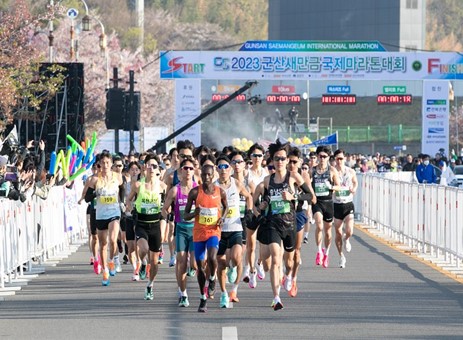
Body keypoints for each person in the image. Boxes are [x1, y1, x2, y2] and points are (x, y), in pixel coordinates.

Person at [254, 139, 313, 310]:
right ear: (272, 161)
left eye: (282, 158)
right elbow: (259, 202)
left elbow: (310, 197)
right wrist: (261, 207)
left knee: (290, 261)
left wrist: (294, 197)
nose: (279, 162)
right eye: (276, 159)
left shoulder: (294, 177)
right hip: (273, 223)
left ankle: (289, 277)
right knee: (275, 259)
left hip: (290, 224)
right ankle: (276, 297)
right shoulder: (267, 181)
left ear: (287, 160)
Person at [184, 164, 228, 313]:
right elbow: (185, 215)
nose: (206, 178)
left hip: (213, 231)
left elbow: (226, 207)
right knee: (200, 267)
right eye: (204, 175)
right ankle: (203, 297)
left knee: (212, 257)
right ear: (201, 175)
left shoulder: (220, 192)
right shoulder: (195, 192)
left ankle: (213, 277)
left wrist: (222, 218)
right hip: (199, 233)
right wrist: (194, 213)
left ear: (213, 175)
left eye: (209, 175)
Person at [126, 154, 166, 300]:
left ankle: (150, 285)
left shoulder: (162, 186)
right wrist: (129, 207)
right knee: (143, 249)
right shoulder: (138, 185)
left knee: (154, 261)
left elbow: (168, 202)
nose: (151, 168)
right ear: (144, 167)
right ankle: (142, 263)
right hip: (141, 223)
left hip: (155, 224)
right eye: (149, 165)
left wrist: (166, 211)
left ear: (158, 169)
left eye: (154, 166)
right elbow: (128, 200)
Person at [215, 155, 253, 308]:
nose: (223, 169)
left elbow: (249, 196)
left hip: (236, 226)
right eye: (220, 167)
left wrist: (249, 211)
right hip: (219, 230)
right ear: (217, 170)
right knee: (220, 263)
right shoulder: (213, 186)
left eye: (226, 167)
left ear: (230, 169)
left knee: (237, 257)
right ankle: (224, 293)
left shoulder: (236, 184)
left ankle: (233, 267)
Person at [161, 157, 198, 307]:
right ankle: (183, 293)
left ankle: (192, 264)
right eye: (185, 168)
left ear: (194, 171)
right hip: (181, 229)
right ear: (180, 171)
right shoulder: (175, 190)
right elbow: (164, 208)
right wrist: (168, 215)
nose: (188, 171)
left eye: (190, 168)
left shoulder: (198, 189)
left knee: (195, 265)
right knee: (181, 263)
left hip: (196, 230)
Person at [84, 151, 125, 286]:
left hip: (114, 212)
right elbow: (87, 198)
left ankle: (112, 260)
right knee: (103, 244)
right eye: (103, 163)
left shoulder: (118, 177)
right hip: (100, 214)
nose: (106, 165)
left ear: (111, 163)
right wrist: (96, 193)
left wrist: (122, 202)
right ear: (99, 164)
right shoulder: (94, 180)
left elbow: (122, 188)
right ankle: (105, 270)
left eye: (108, 162)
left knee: (113, 240)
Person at [286, 146, 315, 297]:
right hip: (283, 216)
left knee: (296, 252)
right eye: (289, 161)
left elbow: (312, 197)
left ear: (299, 162)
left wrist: (296, 197)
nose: (291, 165)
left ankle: (293, 277)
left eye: (294, 162)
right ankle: (286, 273)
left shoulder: (303, 176)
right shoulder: (280, 176)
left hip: (298, 214)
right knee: (285, 253)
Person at [311, 146, 340, 269]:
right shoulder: (312, 171)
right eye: (320, 156)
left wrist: (331, 187)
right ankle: (319, 251)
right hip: (317, 202)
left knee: (328, 232)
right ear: (317, 156)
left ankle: (326, 253)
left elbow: (339, 186)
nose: (322, 159)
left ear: (328, 158)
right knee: (319, 225)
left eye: (324, 156)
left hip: (328, 202)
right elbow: (307, 185)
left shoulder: (332, 170)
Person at [244, 143, 268, 284]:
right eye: (254, 155)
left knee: (264, 245)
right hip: (253, 209)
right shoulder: (247, 173)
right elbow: (249, 191)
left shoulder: (266, 173)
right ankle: (252, 270)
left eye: (260, 155)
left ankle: (259, 263)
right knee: (251, 244)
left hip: (264, 209)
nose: (257, 158)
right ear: (250, 157)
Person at [332, 149, 358, 268]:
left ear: (345, 159)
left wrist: (354, 188)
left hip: (348, 203)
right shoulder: (332, 172)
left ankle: (347, 239)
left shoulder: (350, 171)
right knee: (337, 232)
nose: (339, 161)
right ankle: (341, 256)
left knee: (349, 231)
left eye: (341, 158)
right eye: (337, 158)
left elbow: (355, 182)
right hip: (337, 204)